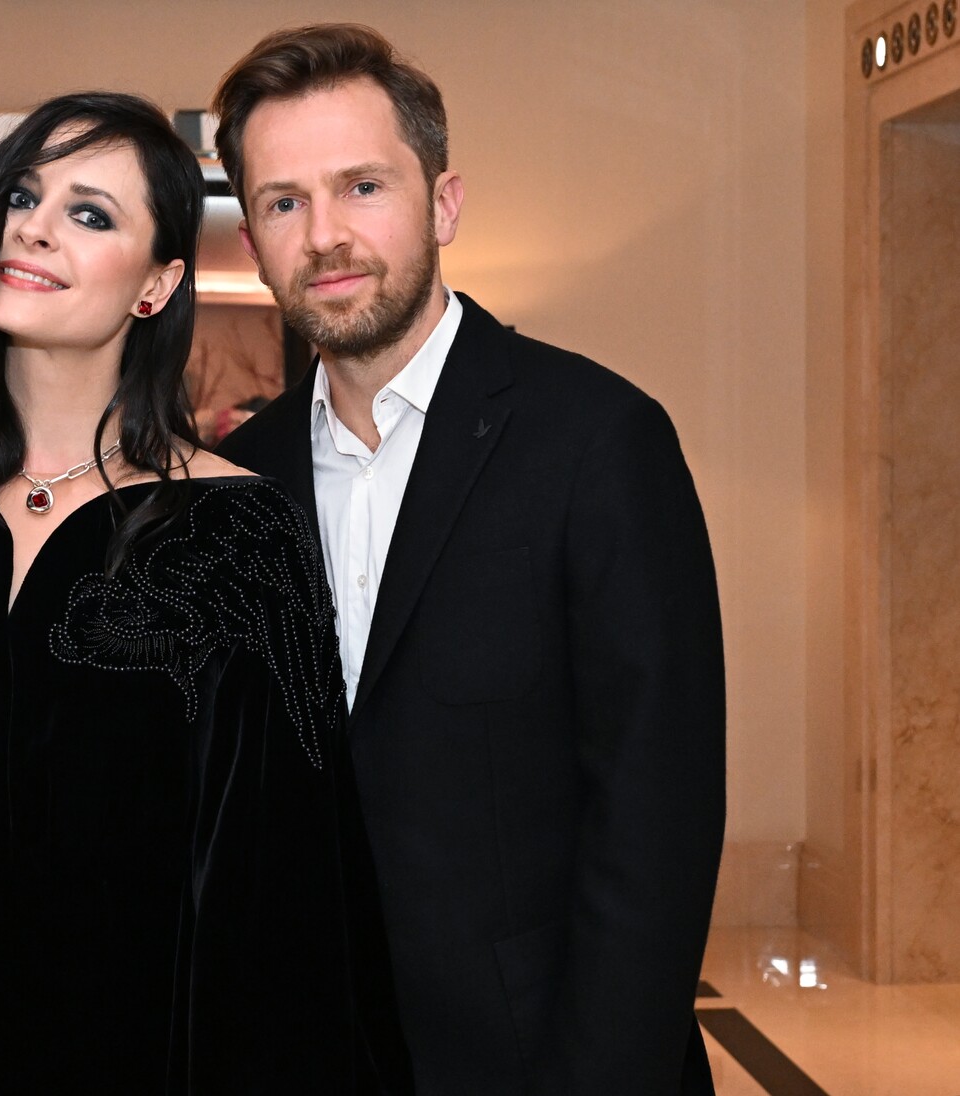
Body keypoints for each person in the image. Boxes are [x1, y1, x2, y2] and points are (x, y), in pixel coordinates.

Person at [0, 90, 407, 1094]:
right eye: (22, 196)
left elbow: (289, 885)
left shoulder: (240, 531)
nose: (35, 226)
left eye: (91, 213)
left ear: (157, 284)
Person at [213, 25, 726, 1095]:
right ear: (254, 241)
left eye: (362, 187)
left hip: (545, 1060)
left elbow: (657, 821)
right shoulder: (235, 484)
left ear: (443, 204)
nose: (326, 235)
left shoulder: (599, 440)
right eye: (284, 202)